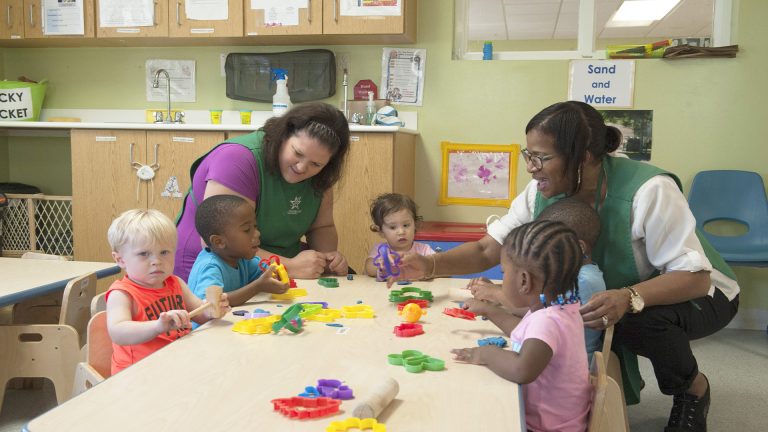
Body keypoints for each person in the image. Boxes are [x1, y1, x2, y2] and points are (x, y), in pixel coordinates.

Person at [394, 101, 739, 431]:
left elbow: (695, 277)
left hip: (704, 293)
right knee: (588, 311)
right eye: (529, 155)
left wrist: (628, 296)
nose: (531, 167)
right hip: (623, 291)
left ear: (584, 156)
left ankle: (692, 389)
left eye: (542, 158)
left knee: (635, 319)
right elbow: (488, 249)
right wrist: (429, 264)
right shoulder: (541, 190)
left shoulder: (650, 190)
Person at [175, 102, 351, 281]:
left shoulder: (322, 173)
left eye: (316, 164)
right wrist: (289, 267)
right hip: (213, 269)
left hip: (278, 265)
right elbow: (225, 244)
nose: (301, 167)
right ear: (282, 136)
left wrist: (326, 261)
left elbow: (322, 227)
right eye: (297, 153)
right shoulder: (236, 159)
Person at [451, 220, 591, 432]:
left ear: (524, 281)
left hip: (548, 428)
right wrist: (490, 310)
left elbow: (521, 370)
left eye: (504, 273)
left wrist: (485, 354)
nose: (503, 279)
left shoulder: (548, 321)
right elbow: (525, 333)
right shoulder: (561, 306)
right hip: (563, 421)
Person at [470, 197, 606, 362]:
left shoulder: (582, 281)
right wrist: (498, 294)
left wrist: (496, 297)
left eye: (545, 243)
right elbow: (534, 311)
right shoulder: (576, 275)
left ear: (579, 247)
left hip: (569, 370)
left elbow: (535, 318)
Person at [105, 209, 229, 375]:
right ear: (120, 260)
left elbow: (200, 315)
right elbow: (118, 332)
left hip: (178, 364)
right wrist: (157, 327)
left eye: (164, 252)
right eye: (144, 254)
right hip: (137, 375)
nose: (156, 261)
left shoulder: (175, 283)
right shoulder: (121, 294)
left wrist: (212, 309)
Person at [187, 195, 289, 307]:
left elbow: (266, 274)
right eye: (247, 230)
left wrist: (275, 276)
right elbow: (210, 304)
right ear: (219, 242)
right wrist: (258, 287)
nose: (257, 233)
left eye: (255, 226)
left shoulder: (243, 259)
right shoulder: (210, 267)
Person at [363, 193, 435, 278]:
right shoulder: (380, 250)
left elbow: (436, 266)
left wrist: (424, 265)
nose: (401, 232)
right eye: (393, 227)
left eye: (406, 225)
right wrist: (382, 265)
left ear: (415, 225)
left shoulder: (424, 250)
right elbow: (369, 268)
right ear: (381, 231)